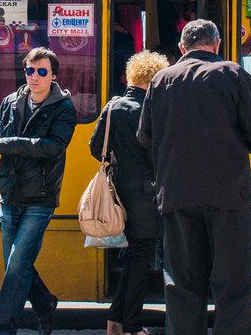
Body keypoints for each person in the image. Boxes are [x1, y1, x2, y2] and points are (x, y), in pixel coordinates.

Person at [137, 19, 251, 335]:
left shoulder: (160, 80)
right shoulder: (233, 74)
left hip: (177, 195)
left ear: (182, 49)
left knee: (183, 285)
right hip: (230, 196)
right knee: (234, 286)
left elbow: (145, 137)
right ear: (217, 44)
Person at [0, 47, 77, 335]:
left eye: (42, 71)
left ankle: (3, 329)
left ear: (53, 75)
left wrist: (8, 144)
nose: (34, 77)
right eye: (30, 70)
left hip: (40, 199)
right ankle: (45, 305)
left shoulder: (64, 108)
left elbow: (53, 146)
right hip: (9, 194)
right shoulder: (11, 101)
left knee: (17, 265)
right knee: (16, 266)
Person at [90, 51, 169, 335]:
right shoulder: (152, 109)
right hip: (146, 194)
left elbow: (95, 147)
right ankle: (132, 325)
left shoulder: (113, 106)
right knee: (141, 257)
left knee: (136, 255)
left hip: (119, 190)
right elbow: (158, 152)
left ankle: (115, 320)